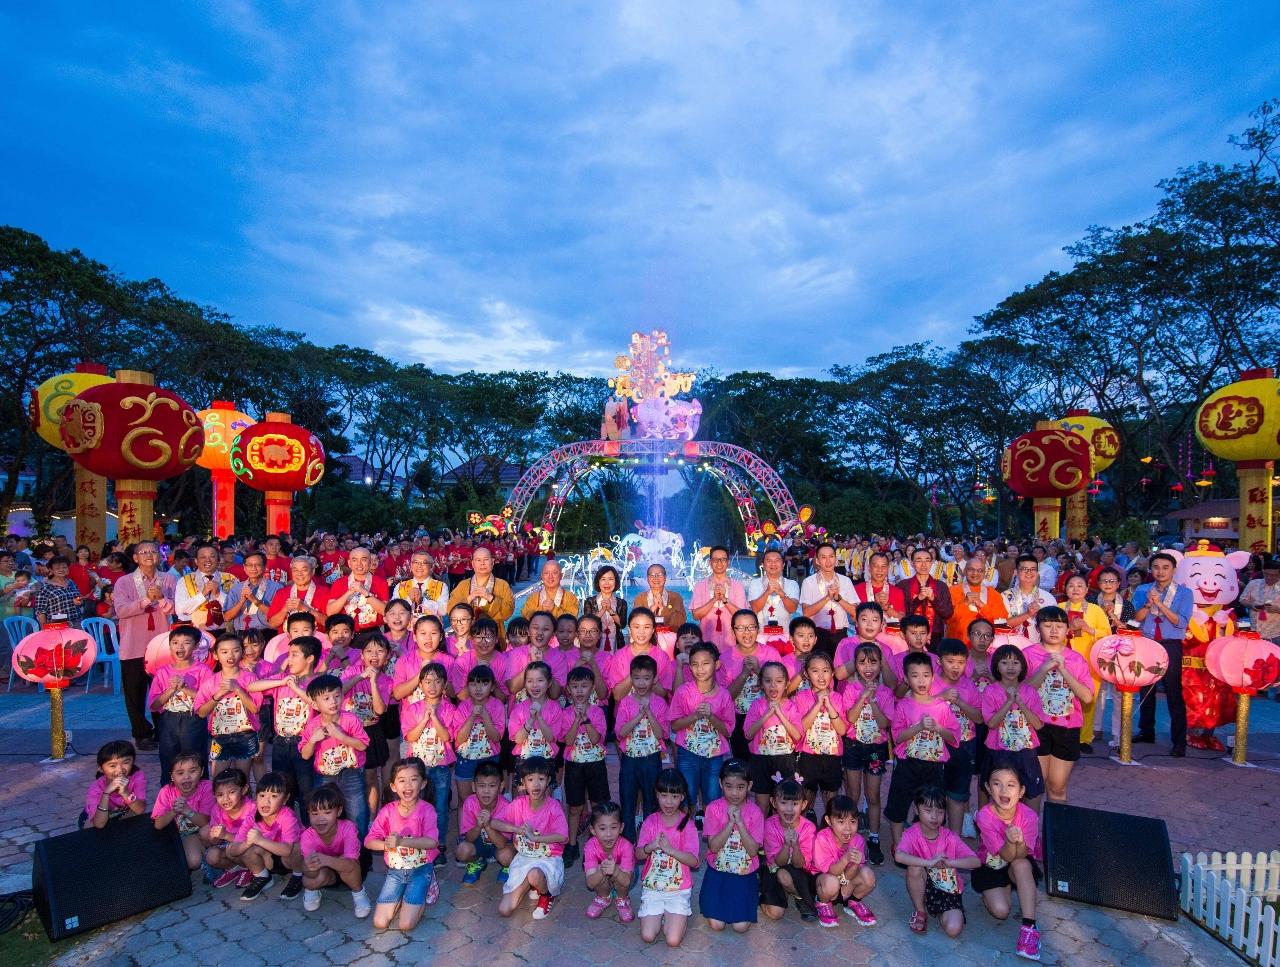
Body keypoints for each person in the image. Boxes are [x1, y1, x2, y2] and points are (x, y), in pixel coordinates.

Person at [887, 652, 958, 855]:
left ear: (933, 677)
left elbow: (953, 736)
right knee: (898, 803)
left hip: (934, 765)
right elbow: (897, 737)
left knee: (930, 805)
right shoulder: (903, 705)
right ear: (907, 680)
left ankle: (925, 844)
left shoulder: (941, 707)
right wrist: (917, 727)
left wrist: (938, 728)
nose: (921, 680)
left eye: (926, 675)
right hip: (908, 764)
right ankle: (898, 845)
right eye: (915, 676)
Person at [973, 765, 1043, 961]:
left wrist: (1018, 841)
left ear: (1021, 792)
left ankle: (1029, 927)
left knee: (1022, 865)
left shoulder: (1029, 816)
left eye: (1011, 785)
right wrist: (1010, 840)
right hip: (992, 863)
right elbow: (1004, 855)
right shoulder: (984, 816)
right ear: (988, 788)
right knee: (1001, 912)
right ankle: (1001, 889)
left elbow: (1019, 856)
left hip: (1016, 861)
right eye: (997, 784)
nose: (1004, 791)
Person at [1024, 607, 1094, 801]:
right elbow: (1022, 692)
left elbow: (1087, 697)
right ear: (1038, 628)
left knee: (1057, 786)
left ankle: (1056, 829)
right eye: (1047, 626)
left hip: (1067, 728)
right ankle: (1031, 830)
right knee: (1034, 784)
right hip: (1036, 726)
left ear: (1067, 629)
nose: (1054, 631)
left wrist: (1064, 671)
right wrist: (1044, 668)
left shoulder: (1076, 659)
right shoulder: (1028, 655)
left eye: (1059, 626)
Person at [895, 784, 979, 938]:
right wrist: (928, 862)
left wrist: (950, 862)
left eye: (940, 812)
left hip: (947, 887)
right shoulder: (911, 834)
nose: (934, 816)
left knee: (953, 929)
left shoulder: (950, 837)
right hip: (923, 881)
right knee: (914, 867)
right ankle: (920, 910)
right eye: (928, 811)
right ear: (916, 810)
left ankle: (940, 911)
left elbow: (975, 861)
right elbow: (899, 856)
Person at [365, 758, 440, 929]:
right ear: (393, 786)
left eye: (414, 779)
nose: (408, 786)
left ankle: (426, 885)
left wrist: (401, 841)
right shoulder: (387, 811)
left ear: (423, 783)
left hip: (420, 870)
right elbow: (369, 841)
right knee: (379, 922)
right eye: (402, 780)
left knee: (406, 925)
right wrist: (386, 845)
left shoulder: (427, 810)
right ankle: (402, 895)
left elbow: (432, 842)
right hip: (395, 872)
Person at [492, 755, 568, 921]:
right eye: (530, 779)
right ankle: (534, 884)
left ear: (548, 781)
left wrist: (534, 837)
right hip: (524, 858)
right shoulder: (519, 804)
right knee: (505, 910)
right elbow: (494, 822)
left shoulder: (554, 807)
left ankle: (547, 894)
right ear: (523, 783)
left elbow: (563, 836)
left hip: (548, 859)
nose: (536, 784)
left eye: (541, 779)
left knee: (535, 874)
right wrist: (515, 829)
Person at [636, 768, 701, 948]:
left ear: (682, 797)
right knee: (648, 936)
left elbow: (694, 861)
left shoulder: (687, 825)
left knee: (672, 940)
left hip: (678, 889)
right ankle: (664, 916)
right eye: (664, 795)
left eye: (674, 796)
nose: (669, 801)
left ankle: (677, 917)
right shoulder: (650, 821)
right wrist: (650, 846)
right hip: (654, 887)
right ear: (656, 795)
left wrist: (670, 850)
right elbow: (638, 854)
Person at [841, 642, 893, 866]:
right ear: (855, 665)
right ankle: (849, 836)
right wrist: (862, 697)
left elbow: (884, 724)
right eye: (862, 662)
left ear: (880, 664)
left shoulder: (885, 692)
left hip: (876, 748)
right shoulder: (850, 689)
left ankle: (873, 836)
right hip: (853, 745)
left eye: (873, 662)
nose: (868, 667)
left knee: (872, 795)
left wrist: (872, 701)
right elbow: (850, 718)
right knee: (853, 793)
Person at [668, 642, 733, 820]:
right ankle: (685, 835)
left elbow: (728, 731)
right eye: (695, 664)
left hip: (714, 756)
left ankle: (712, 838)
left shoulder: (724, 695)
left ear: (716, 665)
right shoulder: (683, 692)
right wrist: (695, 716)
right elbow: (674, 725)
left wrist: (711, 717)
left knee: (712, 799)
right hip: (687, 754)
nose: (700, 669)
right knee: (686, 797)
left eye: (705, 663)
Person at [700, 759, 765, 933]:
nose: (734, 793)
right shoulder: (713, 809)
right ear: (720, 784)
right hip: (718, 870)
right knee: (717, 925)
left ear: (749, 786)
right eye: (728, 786)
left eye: (740, 787)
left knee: (741, 927)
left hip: (745, 871)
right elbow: (713, 847)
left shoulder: (755, 812)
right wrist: (729, 823)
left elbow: (753, 851)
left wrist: (741, 823)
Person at [301, 673, 371, 836]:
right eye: (326, 698)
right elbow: (305, 755)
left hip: (351, 773)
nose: (333, 701)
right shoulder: (312, 726)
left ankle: (360, 854)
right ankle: (329, 848)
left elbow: (363, 745)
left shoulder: (350, 719)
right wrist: (312, 741)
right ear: (315, 704)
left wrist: (342, 737)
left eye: (337, 696)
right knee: (325, 813)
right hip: (324, 776)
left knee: (357, 813)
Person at [400, 662, 456, 864]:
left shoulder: (449, 709)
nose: (432, 686)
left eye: (437, 681)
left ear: (444, 685)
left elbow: (447, 736)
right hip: (417, 767)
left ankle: (439, 845)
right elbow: (410, 737)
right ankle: (418, 843)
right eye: (427, 681)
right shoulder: (412, 709)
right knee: (417, 804)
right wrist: (425, 719)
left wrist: (436, 718)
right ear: (420, 685)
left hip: (440, 766)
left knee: (440, 806)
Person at [980, 644, 1046, 806]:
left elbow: (1038, 725)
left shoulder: (1030, 692)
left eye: (1016, 663)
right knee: (997, 793)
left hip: (1025, 751)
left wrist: (1020, 703)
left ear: (1022, 667)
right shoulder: (991, 691)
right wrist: (1009, 701)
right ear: (996, 666)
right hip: (998, 751)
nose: (1011, 667)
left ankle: (1029, 828)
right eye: (1005, 663)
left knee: (1030, 792)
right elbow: (992, 723)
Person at [616, 654, 670, 843]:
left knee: (651, 801)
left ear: (655, 679)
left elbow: (662, 734)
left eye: (646, 678)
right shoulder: (626, 702)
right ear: (631, 677)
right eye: (637, 678)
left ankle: (649, 841)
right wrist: (639, 716)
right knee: (628, 800)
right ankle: (628, 841)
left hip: (652, 759)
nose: (641, 683)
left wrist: (649, 713)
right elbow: (621, 732)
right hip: (630, 759)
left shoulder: (659, 703)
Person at [147, 625, 212, 781]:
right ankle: (169, 796)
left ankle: (200, 796)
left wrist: (184, 688)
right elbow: (154, 705)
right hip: (169, 721)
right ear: (169, 646)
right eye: (175, 642)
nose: (180, 647)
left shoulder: (203, 670)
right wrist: (170, 689)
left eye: (186, 642)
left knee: (195, 759)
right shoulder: (162, 672)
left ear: (196, 646)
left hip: (194, 720)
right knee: (169, 760)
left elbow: (209, 701)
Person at [227, 771, 304, 901]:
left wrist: (260, 840)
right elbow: (233, 849)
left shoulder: (287, 816)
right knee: (242, 848)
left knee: (297, 847)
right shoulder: (252, 817)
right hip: (270, 859)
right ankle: (262, 877)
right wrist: (248, 843)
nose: (266, 801)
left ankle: (298, 875)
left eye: (274, 796)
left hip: (290, 858)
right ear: (256, 797)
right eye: (262, 795)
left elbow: (286, 850)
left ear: (285, 799)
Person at [719, 610, 784, 759]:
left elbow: (780, 690)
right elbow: (725, 699)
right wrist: (743, 674)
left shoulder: (771, 654)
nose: (746, 633)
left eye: (751, 627)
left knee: (768, 765)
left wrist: (759, 670)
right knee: (744, 766)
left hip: (768, 716)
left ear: (758, 629)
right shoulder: (725, 658)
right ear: (733, 631)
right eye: (740, 628)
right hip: (739, 719)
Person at [300, 783, 371, 916]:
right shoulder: (307, 836)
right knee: (310, 880)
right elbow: (307, 875)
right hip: (327, 872)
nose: (320, 818)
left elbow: (351, 863)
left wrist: (326, 860)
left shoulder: (348, 828)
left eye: (327, 812)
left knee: (348, 863)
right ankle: (312, 890)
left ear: (338, 811)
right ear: (308, 813)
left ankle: (359, 893)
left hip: (351, 869)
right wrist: (307, 866)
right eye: (314, 813)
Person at [562, 665, 609, 867]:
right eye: (575, 686)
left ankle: (596, 845)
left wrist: (586, 720)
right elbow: (569, 740)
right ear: (568, 690)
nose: (579, 691)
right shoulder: (565, 713)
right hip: (574, 764)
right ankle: (572, 845)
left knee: (598, 805)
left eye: (584, 686)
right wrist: (576, 720)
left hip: (595, 764)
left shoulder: (597, 712)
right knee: (575, 807)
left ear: (592, 688)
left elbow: (597, 738)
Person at [195, 633, 261, 778]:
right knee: (218, 779)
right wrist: (217, 696)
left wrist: (238, 689)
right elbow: (200, 712)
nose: (230, 655)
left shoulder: (250, 678)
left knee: (242, 779)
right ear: (216, 655)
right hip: (220, 737)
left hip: (245, 735)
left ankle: (245, 800)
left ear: (242, 652)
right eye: (224, 652)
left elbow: (255, 708)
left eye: (235, 650)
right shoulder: (211, 682)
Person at [935, 638, 983, 833]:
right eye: (950, 661)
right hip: (936, 747)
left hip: (963, 746)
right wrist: (940, 698)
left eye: (961, 663)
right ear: (939, 661)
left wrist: (961, 702)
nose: (956, 667)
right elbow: (918, 706)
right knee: (935, 795)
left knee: (956, 794)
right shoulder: (931, 682)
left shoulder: (969, 686)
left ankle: (953, 840)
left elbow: (979, 718)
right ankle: (934, 839)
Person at [810, 794, 878, 928]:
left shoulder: (858, 840)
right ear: (828, 821)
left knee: (868, 875)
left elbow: (850, 875)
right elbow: (831, 871)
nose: (848, 828)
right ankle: (822, 903)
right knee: (831, 882)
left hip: (844, 879)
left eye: (853, 822)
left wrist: (856, 864)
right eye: (841, 822)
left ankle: (853, 901)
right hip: (825, 880)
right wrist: (846, 859)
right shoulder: (822, 838)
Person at [1061, 574, 1111, 752]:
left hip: (1088, 661)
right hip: (1062, 662)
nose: (1075, 589)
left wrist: (1088, 629)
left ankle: (1084, 738)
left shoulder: (1095, 610)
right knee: (1062, 699)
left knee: (1088, 701)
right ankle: (1063, 734)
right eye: (1071, 585)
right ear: (1065, 589)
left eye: (1080, 586)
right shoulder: (1058, 608)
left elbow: (1107, 635)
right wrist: (1068, 629)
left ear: (1086, 589)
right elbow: (1047, 631)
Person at [743, 661, 801, 815]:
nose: (773, 686)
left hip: (785, 760)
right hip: (761, 760)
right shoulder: (757, 705)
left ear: (787, 684)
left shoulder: (791, 706)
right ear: (761, 684)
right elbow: (748, 734)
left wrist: (780, 714)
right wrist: (766, 715)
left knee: (783, 804)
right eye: (768, 681)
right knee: (762, 805)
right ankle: (761, 838)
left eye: (779, 681)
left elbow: (797, 736)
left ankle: (780, 837)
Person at [792, 653, 848, 813]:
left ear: (832, 673)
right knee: (805, 796)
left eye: (825, 670)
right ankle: (804, 827)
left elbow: (842, 730)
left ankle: (829, 829)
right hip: (808, 755)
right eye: (815, 671)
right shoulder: (801, 698)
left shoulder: (837, 698)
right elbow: (800, 728)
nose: (821, 676)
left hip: (832, 756)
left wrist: (829, 705)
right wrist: (817, 704)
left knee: (831, 798)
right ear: (806, 674)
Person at [759, 778, 819, 922]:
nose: (789, 809)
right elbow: (778, 863)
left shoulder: (808, 828)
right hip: (775, 867)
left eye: (795, 804)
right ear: (773, 803)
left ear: (804, 804)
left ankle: (800, 898)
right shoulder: (769, 825)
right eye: (783, 803)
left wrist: (796, 845)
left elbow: (799, 865)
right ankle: (766, 893)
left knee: (785, 876)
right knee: (775, 914)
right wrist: (786, 845)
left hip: (799, 870)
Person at [151, 752, 214, 874]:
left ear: (201, 772)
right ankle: (195, 852)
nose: (187, 776)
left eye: (192, 771)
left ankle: (210, 852)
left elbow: (204, 822)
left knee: (204, 837)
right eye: (180, 773)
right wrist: (174, 810)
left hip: (199, 833)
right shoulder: (166, 792)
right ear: (172, 777)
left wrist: (186, 810)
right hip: (177, 835)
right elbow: (158, 825)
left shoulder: (207, 787)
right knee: (190, 862)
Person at [451, 665, 506, 806]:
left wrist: (485, 717)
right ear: (467, 687)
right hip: (466, 759)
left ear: (492, 687)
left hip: (490, 758)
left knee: (491, 800)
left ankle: (490, 827)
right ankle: (466, 828)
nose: (478, 689)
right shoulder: (463, 707)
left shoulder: (497, 706)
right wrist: (471, 717)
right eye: (474, 684)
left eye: (484, 684)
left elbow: (496, 737)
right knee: (465, 800)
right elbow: (459, 739)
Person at [456, 761, 514, 886]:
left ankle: (508, 867)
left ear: (501, 786)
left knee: (507, 856)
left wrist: (488, 825)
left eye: (492, 786)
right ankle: (477, 862)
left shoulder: (507, 807)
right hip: (478, 843)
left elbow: (502, 843)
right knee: (462, 851)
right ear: (473, 786)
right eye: (481, 786)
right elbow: (468, 838)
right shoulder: (470, 804)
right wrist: (478, 826)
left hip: (499, 846)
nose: (486, 791)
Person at [799, 543, 859, 657]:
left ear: (836, 559)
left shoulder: (845, 581)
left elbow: (855, 612)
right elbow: (806, 613)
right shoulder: (809, 582)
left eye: (831, 556)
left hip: (840, 634)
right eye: (823, 557)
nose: (828, 561)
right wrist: (827, 598)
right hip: (818, 634)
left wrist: (838, 598)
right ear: (817, 560)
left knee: (840, 671)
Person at [583, 802, 636, 922]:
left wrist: (616, 871)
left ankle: (622, 898)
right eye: (602, 828)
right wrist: (601, 871)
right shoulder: (590, 847)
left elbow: (627, 881)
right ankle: (603, 897)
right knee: (597, 871)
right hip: (602, 876)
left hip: (624, 876)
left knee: (622, 876)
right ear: (593, 830)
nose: (608, 834)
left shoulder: (626, 846)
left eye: (613, 827)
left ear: (621, 828)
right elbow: (590, 884)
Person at [447, 547, 515, 639]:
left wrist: (491, 598)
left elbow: (508, 612)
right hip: (467, 637)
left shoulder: (503, 585)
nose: (482, 563)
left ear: (493, 561)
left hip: (494, 637)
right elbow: (450, 610)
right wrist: (469, 598)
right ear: (472, 564)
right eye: (478, 560)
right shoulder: (463, 585)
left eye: (486, 559)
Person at [203, 767, 253, 888]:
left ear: (244, 789)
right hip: (230, 847)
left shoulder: (252, 808)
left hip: (250, 847)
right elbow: (215, 841)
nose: (225, 799)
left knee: (235, 849)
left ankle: (252, 870)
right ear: (214, 795)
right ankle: (234, 869)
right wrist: (215, 836)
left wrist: (226, 835)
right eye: (220, 794)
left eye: (231, 792)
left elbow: (251, 840)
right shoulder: (217, 810)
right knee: (212, 856)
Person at [690, 546, 748, 650]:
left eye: (723, 559)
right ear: (709, 562)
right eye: (715, 560)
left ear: (728, 562)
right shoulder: (700, 586)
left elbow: (742, 616)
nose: (719, 563)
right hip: (706, 642)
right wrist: (714, 599)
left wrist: (725, 600)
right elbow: (695, 615)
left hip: (732, 641)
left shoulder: (737, 586)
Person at [898, 547, 953, 648]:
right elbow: (901, 614)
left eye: (927, 560)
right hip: (909, 636)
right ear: (912, 563)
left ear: (932, 563)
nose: (924, 564)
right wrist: (918, 599)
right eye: (919, 560)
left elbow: (948, 613)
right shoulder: (903, 585)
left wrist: (933, 598)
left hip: (935, 637)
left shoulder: (941, 586)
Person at [84, 740, 147, 829]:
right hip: (99, 817)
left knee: (135, 816)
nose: (120, 770)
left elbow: (140, 810)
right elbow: (99, 824)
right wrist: (106, 793)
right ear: (101, 769)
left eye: (126, 762)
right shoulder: (95, 788)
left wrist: (125, 792)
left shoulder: (137, 776)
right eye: (112, 766)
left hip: (123, 813)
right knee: (90, 829)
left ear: (133, 761)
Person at [174, 542, 236, 633]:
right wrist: (202, 594)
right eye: (203, 557)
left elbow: (236, 607)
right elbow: (180, 610)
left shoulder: (231, 579)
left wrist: (219, 594)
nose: (208, 560)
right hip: (195, 631)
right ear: (196, 561)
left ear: (218, 560)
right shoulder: (184, 581)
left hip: (225, 630)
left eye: (212, 556)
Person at [327, 547, 390, 633]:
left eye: (363, 560)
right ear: (349, 563)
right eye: (354, 560)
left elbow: (385, 611)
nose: (359, 564)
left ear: (370, 562)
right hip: (346, 634)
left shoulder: (380, 582)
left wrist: (365, 592)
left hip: (372, 632)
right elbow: (330, 612)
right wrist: (348, 593)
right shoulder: (339, 582)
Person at [946, 558, 1009, 641]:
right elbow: (947, 620)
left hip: (985, 646)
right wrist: (965, 603)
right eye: (971, 569)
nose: (975, 573)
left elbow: (1001, 622)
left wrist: (982, 606)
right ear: (964, 571)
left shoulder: (994, 594)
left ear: (985, 573)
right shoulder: (952, 591)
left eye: (980, 570)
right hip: (958, 646)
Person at [224, 551, 282, 633]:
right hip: (241, 633)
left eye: (258, 565)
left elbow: (278, 616)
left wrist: (255, 600)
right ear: (244, 567)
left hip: (267, 632)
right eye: (250, 565)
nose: (253, 568)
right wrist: (241, 602)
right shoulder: (236, 588)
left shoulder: (276, 588)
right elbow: (227, 617)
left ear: (265, 567)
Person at [1002, 555, 1056, 643]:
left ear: (1037, 572)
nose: (1029, 572)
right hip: (1012, 646)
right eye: (1024, 569)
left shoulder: (1048, 597)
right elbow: (1001, 624)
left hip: (1039, 647)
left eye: (1033, 569)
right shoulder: (1005, 596)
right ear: (1016, 572)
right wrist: (1028, 614)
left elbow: (1055, 625)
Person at [266, 556, 330, 630]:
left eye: (304, 570)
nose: (299, 574)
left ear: (312, 572)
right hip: (288, 639)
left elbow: (330, 623)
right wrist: (284, 610)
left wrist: (306, 609)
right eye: (295, 570)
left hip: (315, 639)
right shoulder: (281, 593)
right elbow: (272, 624)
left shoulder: (324, 592)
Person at [747, 549, 800, 637]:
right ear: (763, 565)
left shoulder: (792, 584)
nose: (773, 564)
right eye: (769, 561)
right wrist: (767, 592)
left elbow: (793, 609)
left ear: (783, 565)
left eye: (777, 560)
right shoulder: (755, 583)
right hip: (760, 635)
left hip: (785, 635)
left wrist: (782, 595)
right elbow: (755, 608)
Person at [633, 564, 687, 639]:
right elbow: (636, 623)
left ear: (665, 577)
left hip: (670, 642)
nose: (656, 578)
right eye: (652, 575)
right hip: (646, 641)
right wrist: (651, 610)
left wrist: (663, 608)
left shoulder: (676, 598)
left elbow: (680, 624)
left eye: (660, 575)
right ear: (647, 578)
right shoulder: (640, 598)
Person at [391, 550, 450, 619]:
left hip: (430, 628)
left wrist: (422, 601)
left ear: (431, 567)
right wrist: (409, 600)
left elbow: (443, 611)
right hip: (406, 628)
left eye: (424, 563)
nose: (419, 566)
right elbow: (393, 608)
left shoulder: (441, 586)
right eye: (415, 562)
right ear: (411, 565)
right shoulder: (400, 586)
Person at [582, 565, 628, 651]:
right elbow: (588, 623)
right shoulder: (590, 601)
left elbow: (622, 624)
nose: (607, 583)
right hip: (595, 644)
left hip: (616, 644)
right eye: (603, 579)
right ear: (598, 582)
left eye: (610, 579)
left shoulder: (622, 603)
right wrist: (603, 610)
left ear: (616, 582)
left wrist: (610, 610)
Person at [853, 552, 906, 623]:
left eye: (883, 566)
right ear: (869, 568)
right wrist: (875, 602)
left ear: (888, 568)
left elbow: (902, 619)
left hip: (889, 633)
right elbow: (853, 618)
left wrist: (886, 607)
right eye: (875, 566)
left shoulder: (897, 591)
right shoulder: (857, 589)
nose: (880, 570)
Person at [32, 555, 83, 627]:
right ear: (51, 570)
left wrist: (79, 601)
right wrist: (44, 628)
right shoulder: (46, 588)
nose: (61, 570)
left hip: (76, 622)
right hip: (57, 625)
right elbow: (40, 611)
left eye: (64, 567)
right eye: (57, 568)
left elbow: (78, 598)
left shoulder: (71, 582)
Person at [1240, 554, 1280, 644]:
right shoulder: (1254, 584)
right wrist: (1251, 605)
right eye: (1267, 574)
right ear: (1263, 571)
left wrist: (1278, 610)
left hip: (1276, 635)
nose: (1270, 577)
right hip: (1255, 632)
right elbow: (1242, 599)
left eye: (1274, 575)